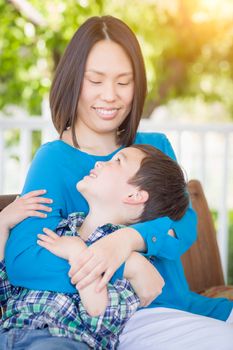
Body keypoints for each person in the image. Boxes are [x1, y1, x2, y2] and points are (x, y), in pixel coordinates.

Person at [2, 15, 233, 349]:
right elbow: (25, 260)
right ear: (72, 81)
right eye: (95, 80)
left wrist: (129, 239)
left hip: (181, 308)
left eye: (123, 82)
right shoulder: (53, 161)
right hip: (123, 322)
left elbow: (184, 228)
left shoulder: (153, 146)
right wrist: (127, 266)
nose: (110, 96)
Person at [1, 143, 190, 349]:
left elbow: (99, 317)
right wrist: (2, 222)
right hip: (8, 331)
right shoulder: (60, 230)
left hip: (64, 341)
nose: (100, 162)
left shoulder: (131, 261)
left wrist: (77, 252)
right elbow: (7, 287)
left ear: (134, 196)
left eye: (117, 161)